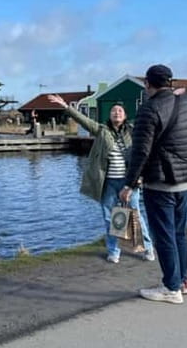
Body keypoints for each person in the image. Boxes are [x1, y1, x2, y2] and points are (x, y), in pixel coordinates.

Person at [120, 64, 187, 304]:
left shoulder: (150, 109)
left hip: (162, 181)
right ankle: (182, 281)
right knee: (179, 233)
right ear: (170, 82)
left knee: (164, 235)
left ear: (148, 84)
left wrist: (129, 184)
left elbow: (140, 152)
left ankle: (171, 288)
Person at [48, 94, 155, 263]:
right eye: (113, 111)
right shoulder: (102, 130)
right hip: (108, 183)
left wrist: (138, 179)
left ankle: (148, 248)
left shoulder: (134, 131)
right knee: (109, 217)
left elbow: (143, 154)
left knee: (135, 216)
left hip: (129, 183)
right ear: (109, 115)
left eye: (120, 111)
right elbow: (83, 120)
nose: (116, 113)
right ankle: (114, 251)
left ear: (125, 115)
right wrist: (66, 107)